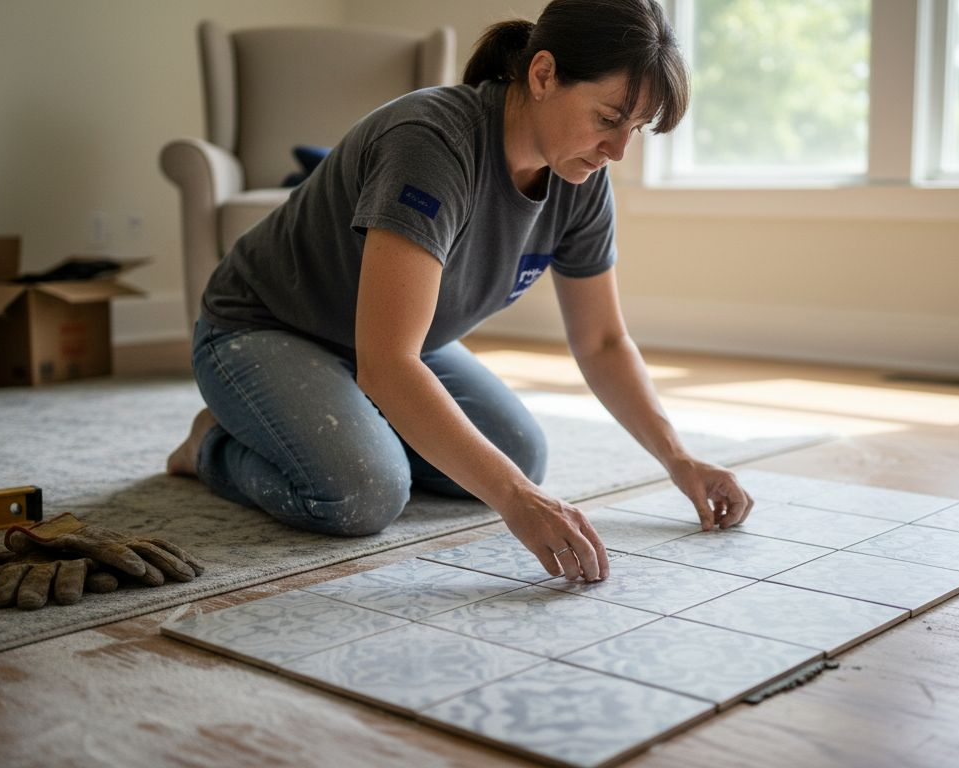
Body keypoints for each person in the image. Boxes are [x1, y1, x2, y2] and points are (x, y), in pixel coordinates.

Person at [167, 0, 755, 582]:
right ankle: (211, 446)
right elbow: (388, 364)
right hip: (263, 327)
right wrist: (518, 501)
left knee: (521, 455)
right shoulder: (430, 144)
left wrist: (678, 459)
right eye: (607, 119)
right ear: (543, 74)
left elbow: (601, 341)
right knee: (364, 494)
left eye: (636, 129)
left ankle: (336, 416)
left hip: (388, 344)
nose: (618, 152)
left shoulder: (580, 177)